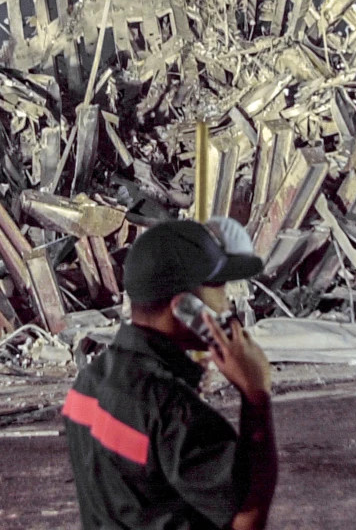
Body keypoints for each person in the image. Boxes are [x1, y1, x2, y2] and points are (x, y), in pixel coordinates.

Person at [63, 218, 278, 530]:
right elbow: (248, 519)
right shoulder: (173, 412)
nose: (228, 302)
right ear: (185, 307)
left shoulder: (89, 381)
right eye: (218, 289)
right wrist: (255, 394)